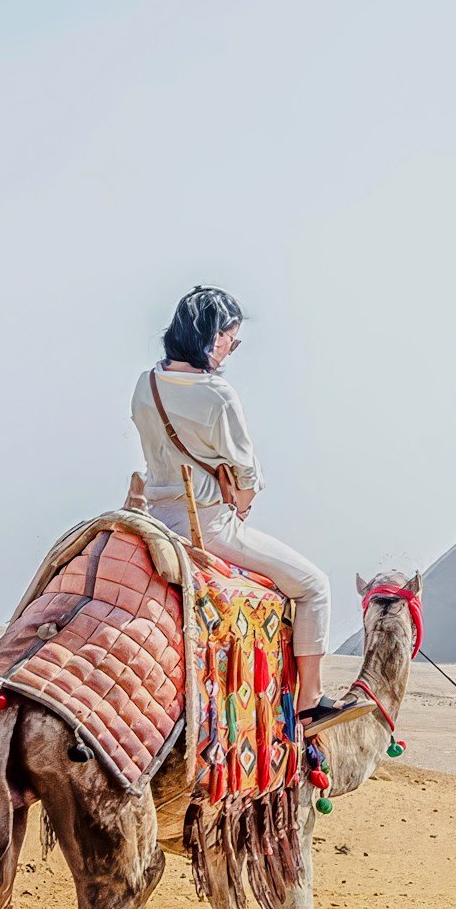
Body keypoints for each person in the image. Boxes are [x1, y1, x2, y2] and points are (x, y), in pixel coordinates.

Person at [129, 286, 337, 715]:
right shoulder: (218, 394)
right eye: (231, 339)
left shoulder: (144, 383)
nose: (230, 350)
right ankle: (310, 702)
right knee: (314, 586)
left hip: (151, 519)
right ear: (212, 334)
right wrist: (241, 504)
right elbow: (246, 478)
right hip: (207, 527)